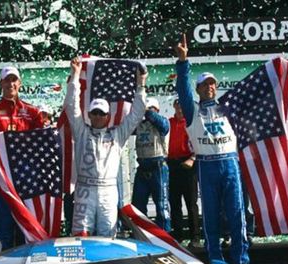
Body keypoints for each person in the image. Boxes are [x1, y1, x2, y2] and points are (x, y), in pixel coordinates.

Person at [174, 35, 249, 264]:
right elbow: (182, 89)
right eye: (205, 84)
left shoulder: (228, 107)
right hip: (207, 166)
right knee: (211, 219)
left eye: (213, 84)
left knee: (237, 215)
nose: (210, 87)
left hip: (230, 164)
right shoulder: (193, 109)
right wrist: (183, 61)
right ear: (198, 89)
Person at [66, 56, 147, 237]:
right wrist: (76, 75)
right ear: (89, 114)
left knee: (107, 237)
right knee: (81, 237)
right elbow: (71, 106)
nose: (98, 116)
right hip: (84, 190)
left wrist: (141, 85)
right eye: (94, 113)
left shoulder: (118, 134)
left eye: (102, 113)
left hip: (108, 191)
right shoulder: (81, 131)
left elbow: (137, 113)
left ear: (108, 116)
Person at [0, 66, 44, 250]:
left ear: (20, 83)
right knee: (2, 226)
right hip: (0, 179)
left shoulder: (33, 112)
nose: (10, 84)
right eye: (7, 80)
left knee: (25, 224)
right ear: (0, 84)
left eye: (14, 80)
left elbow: (43, 139)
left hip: (24, 179)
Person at [132, 97, 171, 231]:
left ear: (157, 110)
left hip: (158, 167)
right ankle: (142, 235)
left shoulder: (163, 122)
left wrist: (148, 112)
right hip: (142, 167)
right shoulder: (139, 125)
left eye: (151, 110)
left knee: (162, 206)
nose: (147, 114)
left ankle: (165, 238)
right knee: (138, 206)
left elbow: (163, 126)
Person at [167, 99, 201, 247]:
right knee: (174, 203)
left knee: (191, 203)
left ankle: (195, 238)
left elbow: (200, 144)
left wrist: (192, 159)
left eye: (182, 105)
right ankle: (178, 237)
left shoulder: (192, 123)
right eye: (178, 105)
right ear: (174, 106)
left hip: (188, 164)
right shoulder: (168, 122)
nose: (180, 109)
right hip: (172, 165)